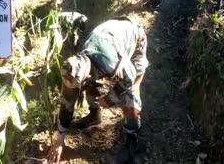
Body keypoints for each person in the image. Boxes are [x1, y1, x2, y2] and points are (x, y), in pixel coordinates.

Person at [47, 17, 149, 164]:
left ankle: (132, 140)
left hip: (134, 37)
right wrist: (60, 140)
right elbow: (67, 103)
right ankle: (94, 116)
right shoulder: (76, 65)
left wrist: (109, 99)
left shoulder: (108, 62)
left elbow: (130, 77)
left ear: (87, 74)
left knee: (130, 95)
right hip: (111, 37)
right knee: (92, 84)